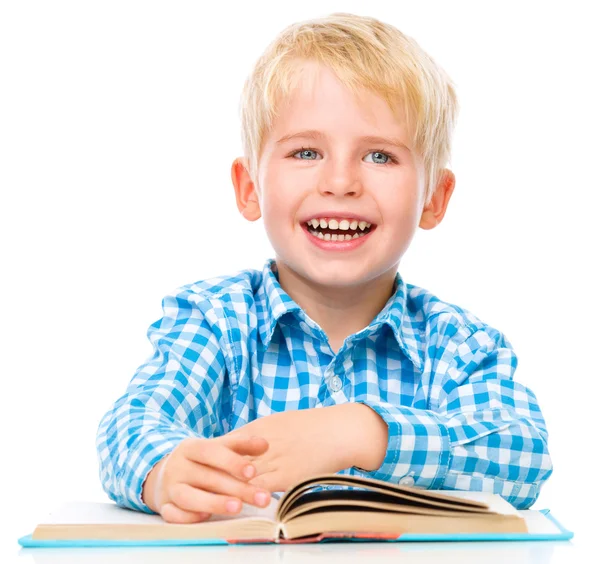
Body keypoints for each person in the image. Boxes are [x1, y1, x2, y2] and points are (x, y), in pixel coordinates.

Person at [96, 12, 552, 524]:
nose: (340, 181)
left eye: (380, 157)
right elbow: (131, 424)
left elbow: (523, 455)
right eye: (306, 151)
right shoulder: (213, 320)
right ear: (250, 189)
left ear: (434, 198)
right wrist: (163, 472)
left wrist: (364, 432)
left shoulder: (462, 345)